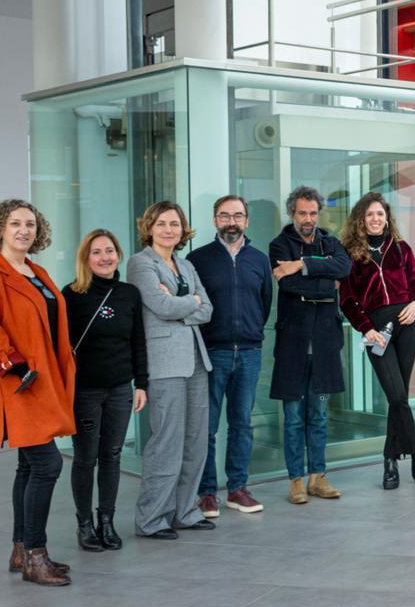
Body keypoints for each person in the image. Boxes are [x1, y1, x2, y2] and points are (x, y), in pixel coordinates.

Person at [0, 199, 76, 586]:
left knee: (29, 466)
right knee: (48, 465)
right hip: (21, 384)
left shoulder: (36, 272)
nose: (24, 230)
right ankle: (35, 555)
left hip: (46, 380)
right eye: (15, 223)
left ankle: (20, 550)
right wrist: (17, 368)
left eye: (30, 224)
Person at [128, 201, 215, 539]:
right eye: (162, 223)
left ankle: (186, 511)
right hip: (164, 362)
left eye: (175, 224)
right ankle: (152, 519)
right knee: (166, 441)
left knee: (196, 441)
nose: (169, 230)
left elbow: (207, 308)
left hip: (195, 359)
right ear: (150, 227)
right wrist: (189, 302)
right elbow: (160, 306)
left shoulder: (186, 265)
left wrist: (189, 304)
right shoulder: (140, 263)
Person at [62, 229, 148, 553]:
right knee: (85, 458)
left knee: (111, 456)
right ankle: (84, 525)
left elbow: (137, 341)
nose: (104, 257)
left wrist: (142, 384)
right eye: (96, 252)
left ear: (119, 255)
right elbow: (59, 348)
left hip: (120, 390)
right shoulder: (70, 295)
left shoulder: (129, 294)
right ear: (86, 258)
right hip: (84, 391)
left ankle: (106, 521)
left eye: (109, 251)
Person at [188, 195, 272, 517]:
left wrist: (249, 331)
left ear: (247, 221)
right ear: (215, 221)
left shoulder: (259, 259)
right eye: (225, 216)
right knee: (206, 427)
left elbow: (264, 303)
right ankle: (207, 492)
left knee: (242, 424)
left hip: (249, 353)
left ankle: (238, 489)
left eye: (237, 216)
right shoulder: (198, 259)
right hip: (212, 353)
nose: (231, 222)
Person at [339, 192, 415, 490]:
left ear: (386, 217)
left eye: (380, 214)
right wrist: (366, 329)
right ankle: (414, 450)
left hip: (408, 327)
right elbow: (348, 300)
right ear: (360, 221)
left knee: (399, 394)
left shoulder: (401, 248)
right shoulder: (350, 254)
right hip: (377, 332)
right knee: (397, 396)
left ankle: (391, 462)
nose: (376, 219)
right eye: (369, 215)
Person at [270, 186, 351, 503]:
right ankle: (296, 481)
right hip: (293, 343)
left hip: (324, 343)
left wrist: (301, 265)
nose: (308, 219)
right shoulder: (279, 244)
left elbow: (343, 268)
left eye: (313, 213)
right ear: (292, 213)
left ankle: (318, 477)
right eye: (302, 213)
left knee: (318, 415)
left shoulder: (330, 242)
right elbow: (287, 284)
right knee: (292, 419)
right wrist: (323, 279)